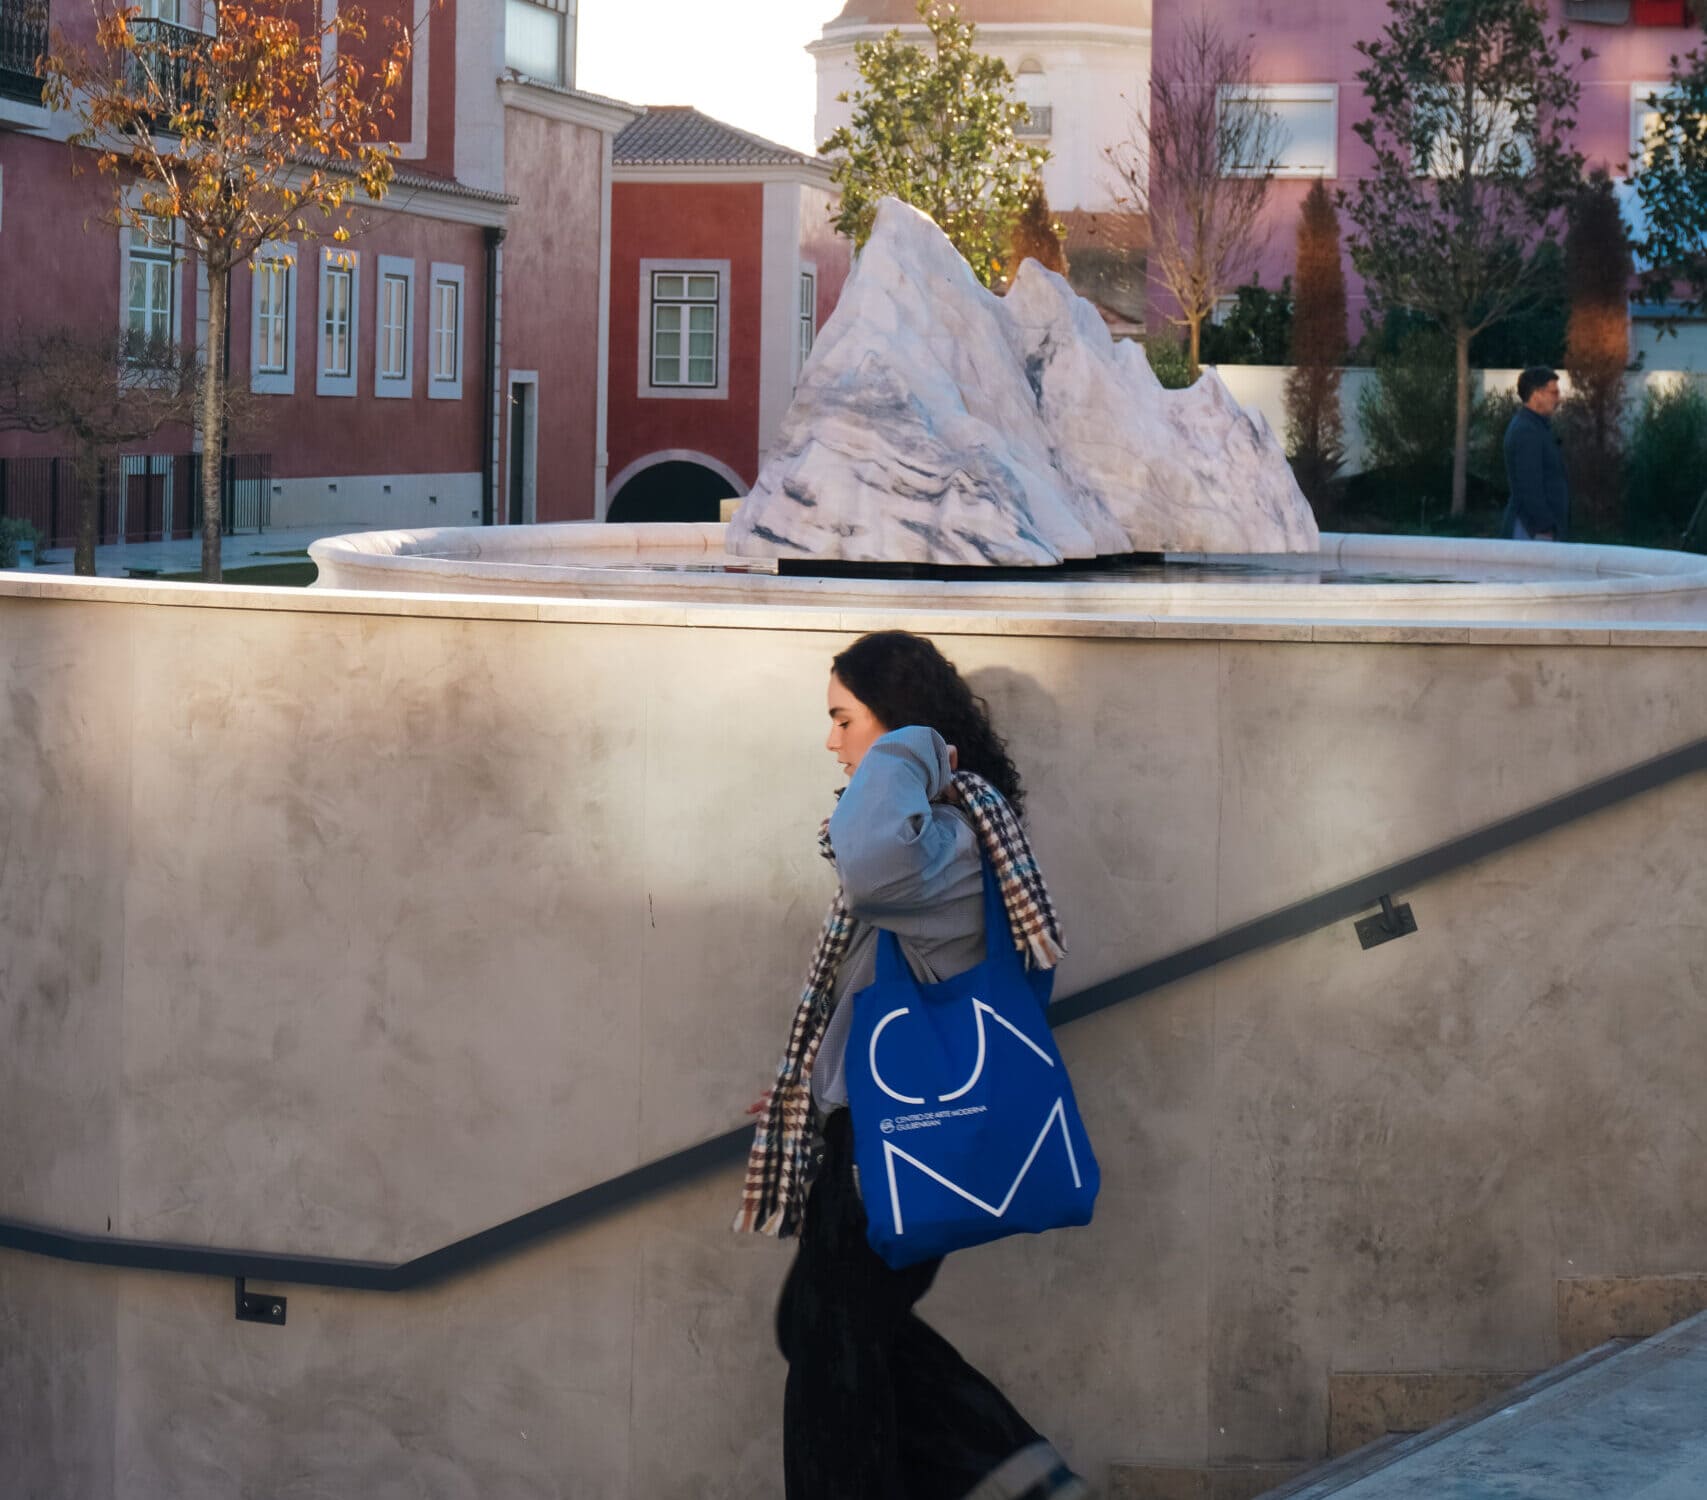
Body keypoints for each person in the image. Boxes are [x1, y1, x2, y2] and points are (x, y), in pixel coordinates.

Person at [735, 630, 1087, 1500]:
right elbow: (880, 983)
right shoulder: (950, 844)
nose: (831, 742)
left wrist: (909, 746)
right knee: (832, 1338)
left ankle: (1028, 1479)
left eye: (845, 719)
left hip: (891, 1145)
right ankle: (1025, 1477)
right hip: (868, 1131)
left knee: (832, 1355)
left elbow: (870, 868)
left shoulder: (947, 845)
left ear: (896, 725)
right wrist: (812, 1085)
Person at [1501, 366, 1569, 542]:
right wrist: (1544, 527)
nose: (1558, 398)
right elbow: (1529, 486)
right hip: (1532, 531)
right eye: (1553, 393)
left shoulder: (1536, 427)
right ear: (1537, 394)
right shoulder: (1527, 431)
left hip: (1535, 528)